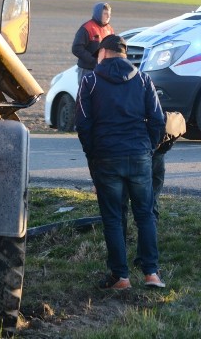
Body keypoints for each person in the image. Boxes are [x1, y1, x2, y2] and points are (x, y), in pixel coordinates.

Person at [75, 34, 167, 289]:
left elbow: (83, 123)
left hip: (106, 156)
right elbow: (158, 120)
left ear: (103, 53)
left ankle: (121, 277)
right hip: (139, 154)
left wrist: (93, 153)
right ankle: (151, 274)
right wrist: (147, 147)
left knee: (113, 218)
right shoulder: (143, 79)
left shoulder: (90, 80)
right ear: (124, 55)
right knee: (145, 214)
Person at [72, 2, 114, 84]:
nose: (108, 16)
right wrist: (93, 61)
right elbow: (76, 48)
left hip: (103, 71)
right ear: (98, 13)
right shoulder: (87, 28)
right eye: (105, 14)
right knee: (86, 96)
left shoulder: (109, 29)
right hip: (87, 70)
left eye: (109, 14)